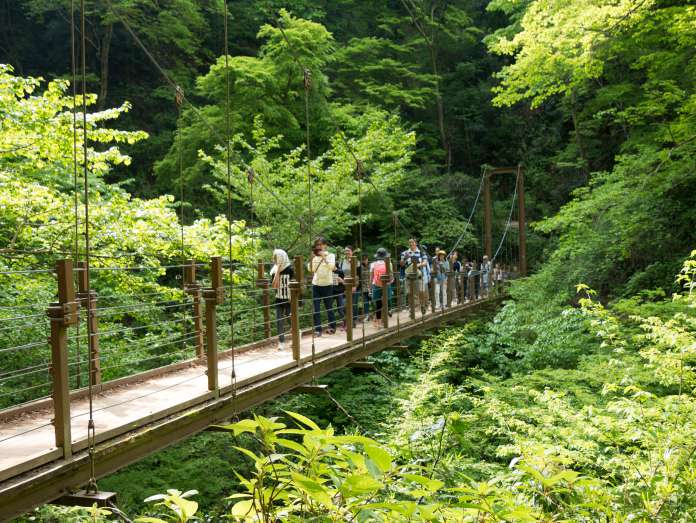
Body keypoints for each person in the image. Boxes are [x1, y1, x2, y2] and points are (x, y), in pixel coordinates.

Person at [308, 237, 336, 336]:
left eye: (321, 244)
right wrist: (312, 258)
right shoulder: (315, 258)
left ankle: (332, 327)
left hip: (327, 285)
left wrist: (324, 257)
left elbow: (332, 267)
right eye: (317, 245)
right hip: (316, 285)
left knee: (329, 308)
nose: (319, 247)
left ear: (325, 245)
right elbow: (311, 269)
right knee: (316, 309)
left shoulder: (331, 255)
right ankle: (318, 330)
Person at [270, 249, 294, 351]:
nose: (277, 259)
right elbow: (274, 286)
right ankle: (281, 342)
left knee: (290, 320)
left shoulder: (290, 269)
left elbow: (294, 285)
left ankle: (296, 335)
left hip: (289, 299)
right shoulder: (274, 270)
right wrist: (278, 271)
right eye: (275, 258)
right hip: (279, 298)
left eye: (278, 257)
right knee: (279, 320)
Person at [370, 248, 393, 327]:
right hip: (386, 285)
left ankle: (378, 321)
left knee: (378, 304)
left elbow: (372, 277)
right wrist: (390, 282)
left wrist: (370, 287)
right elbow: (391, 277)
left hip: (376, 285)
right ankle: (384, 320)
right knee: (386, 302)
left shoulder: (373, 264)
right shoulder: (389, 263)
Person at [359, 254, 371, 322]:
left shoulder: (370, 266)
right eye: (363, 259)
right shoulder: (360, 267)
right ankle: (367, 315)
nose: (365, 261)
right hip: (363, 287)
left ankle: (377, 314)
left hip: (370, 286)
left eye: (366, 259)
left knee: (373, 301)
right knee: (365, 302)